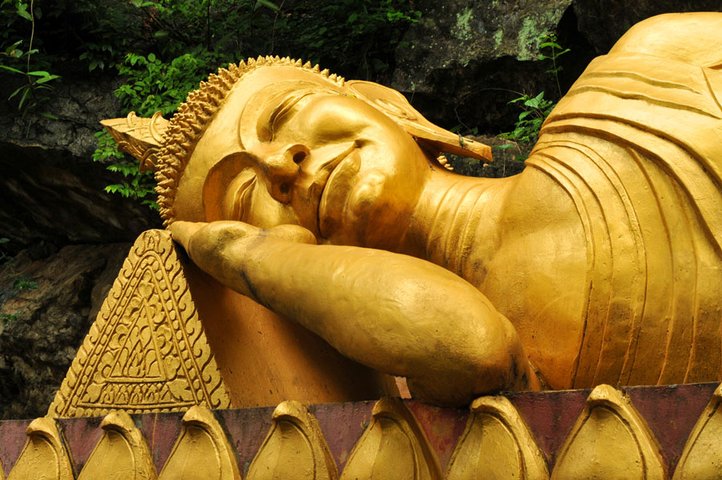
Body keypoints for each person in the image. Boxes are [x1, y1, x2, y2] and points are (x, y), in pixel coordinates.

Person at [105, 13, 722, 406]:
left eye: (280, 116)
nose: (278, 166)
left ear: (388, 106)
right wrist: (251, 258)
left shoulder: (659, 68)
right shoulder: (469, 386)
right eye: (243, 199)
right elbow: (467, 346)